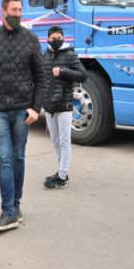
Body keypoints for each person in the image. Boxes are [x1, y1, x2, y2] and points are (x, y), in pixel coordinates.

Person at [0, 0, 46, 233]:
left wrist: (36, 108)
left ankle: (16, 205)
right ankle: (7, 211)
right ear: (4, 11)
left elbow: (41, 76)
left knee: (18, 158)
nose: (18, 14)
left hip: (22, 111)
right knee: (4, 159)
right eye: (14, 10)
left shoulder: (30, 39)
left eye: (20, 11)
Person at [41, 26, 86, 189]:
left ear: (63, 38)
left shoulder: (69, 54)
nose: (56, 40)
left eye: (58, 37)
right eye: (53, 38)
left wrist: (63, 71)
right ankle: (62, 171)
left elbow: (83, 75)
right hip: (49, 106)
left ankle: (61, 176)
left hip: (65, 105)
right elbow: (42, 80)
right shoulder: (45, 55)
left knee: (65, 142)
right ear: (47, 40)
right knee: (55, 141)